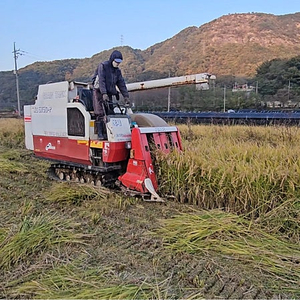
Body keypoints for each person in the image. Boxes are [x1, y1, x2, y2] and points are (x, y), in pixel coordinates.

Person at [92, 50, 130, 139]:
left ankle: (110, 132)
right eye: (116, 62)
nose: (117, 64)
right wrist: (103, 93)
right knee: (100, 112)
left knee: (110, 112)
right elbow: (101, 80)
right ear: (112, 59)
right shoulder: (103, 66)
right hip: (98, 91)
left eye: (119, 62)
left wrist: (126, 96)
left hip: (108, 93)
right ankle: (100, 133)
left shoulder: (117, 71)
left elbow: (121, 83)